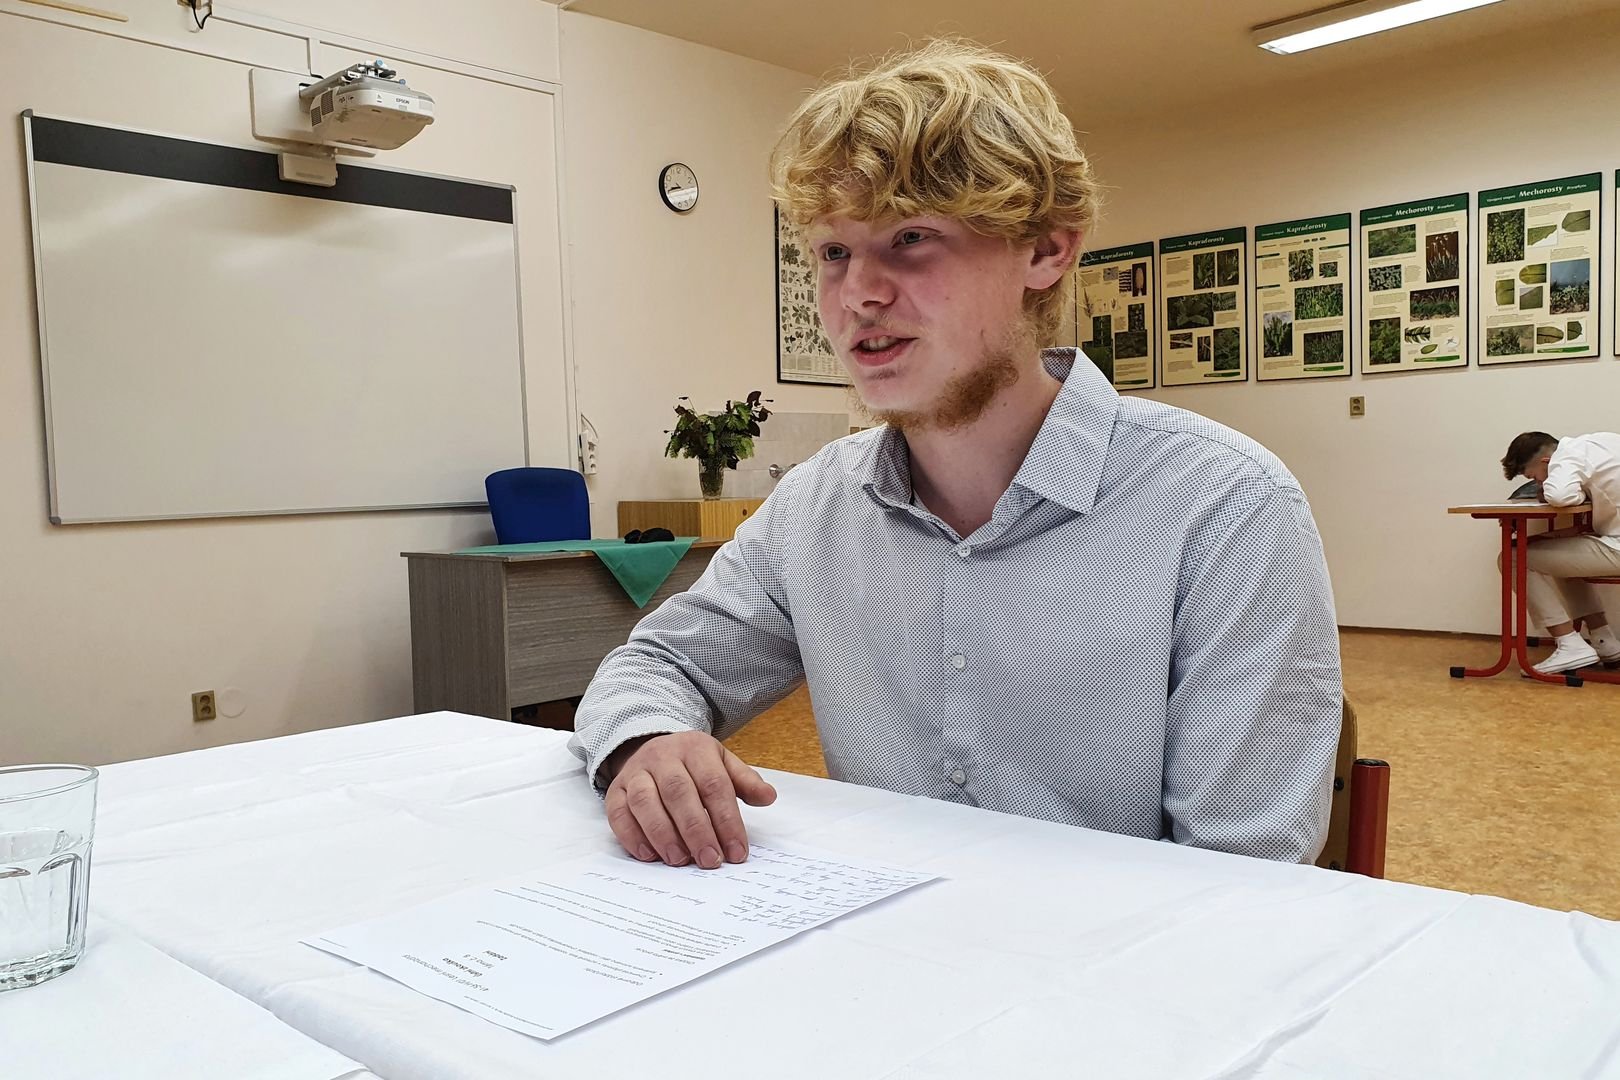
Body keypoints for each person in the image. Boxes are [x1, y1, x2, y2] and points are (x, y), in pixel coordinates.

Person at [568, 40, 1341, 869]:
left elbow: (1242, 876)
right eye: (833, 252)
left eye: (910, 237)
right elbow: (658, 666)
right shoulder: (814, 508)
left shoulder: (1226, 508)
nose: (858, 293)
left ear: (1046, 251)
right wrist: (649, 740)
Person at [1500, 431, 1620, 674]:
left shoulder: (1566, 457)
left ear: (1547, 461)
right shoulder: (1603, 441)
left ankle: (1569, 644)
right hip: (1613, 539)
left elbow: (1559, 495)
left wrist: (1553, 489)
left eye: (1535, 477)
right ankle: (1604, 640)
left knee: (1512, 558)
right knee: (1561, 554)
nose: (1538, 483)